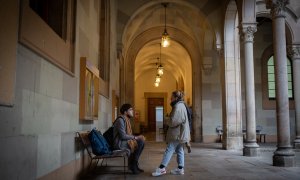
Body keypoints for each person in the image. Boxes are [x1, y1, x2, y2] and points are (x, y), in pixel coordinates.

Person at [152, 90, 191, 176]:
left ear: (176, 98)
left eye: (172, 97)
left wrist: (166, 120)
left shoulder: (178, 106)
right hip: (180, 133)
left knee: (169, 149)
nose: (170, 99)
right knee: (179, 149)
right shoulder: (181, 105)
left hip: (177, 133)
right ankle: (180, 169)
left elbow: (173, 121)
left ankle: (162, 168)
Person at [113, 103, 145, 174]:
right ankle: (133, 164)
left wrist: (136, 138)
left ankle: (134, 164)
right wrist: (135, 137)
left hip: (123, 141)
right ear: (125, 112)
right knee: (140, 141)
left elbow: (127, 135)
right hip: (119, 143)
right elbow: (123, 136)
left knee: (141, 140)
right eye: (130, 110)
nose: (132, 111)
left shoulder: (126, 119)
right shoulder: (120, 120)